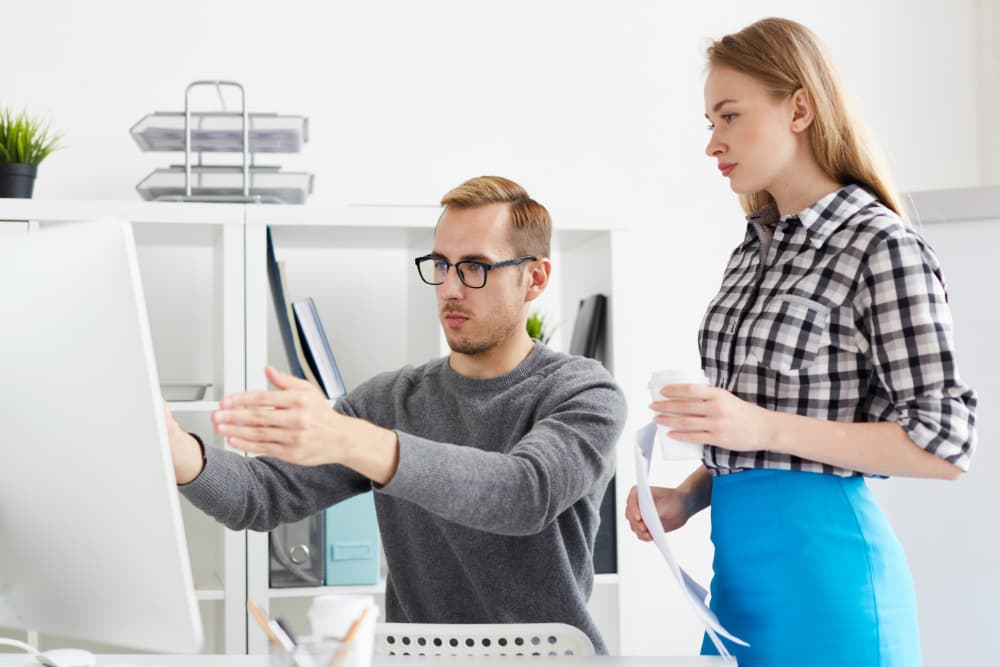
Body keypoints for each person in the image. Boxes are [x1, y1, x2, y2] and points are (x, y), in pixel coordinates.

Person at [625, 17, 977, 667]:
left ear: (800, 108)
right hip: (737, 594)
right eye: (710, 122)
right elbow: (758, 439)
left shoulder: (881, 246)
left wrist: (758, 422)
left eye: (729, 116)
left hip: (831, 592)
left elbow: (945, 441)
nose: (713, 143)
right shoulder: (749, 253)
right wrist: (688, 495)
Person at [166, 175, 627, 654]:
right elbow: (261, 495)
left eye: (474, 267)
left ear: (535, 278)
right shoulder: (392, 399)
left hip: (547, 659)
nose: (449, 288)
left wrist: (355, 440)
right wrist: (179, 449)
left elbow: (524, 494)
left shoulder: (585, 391)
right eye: (440, 265)